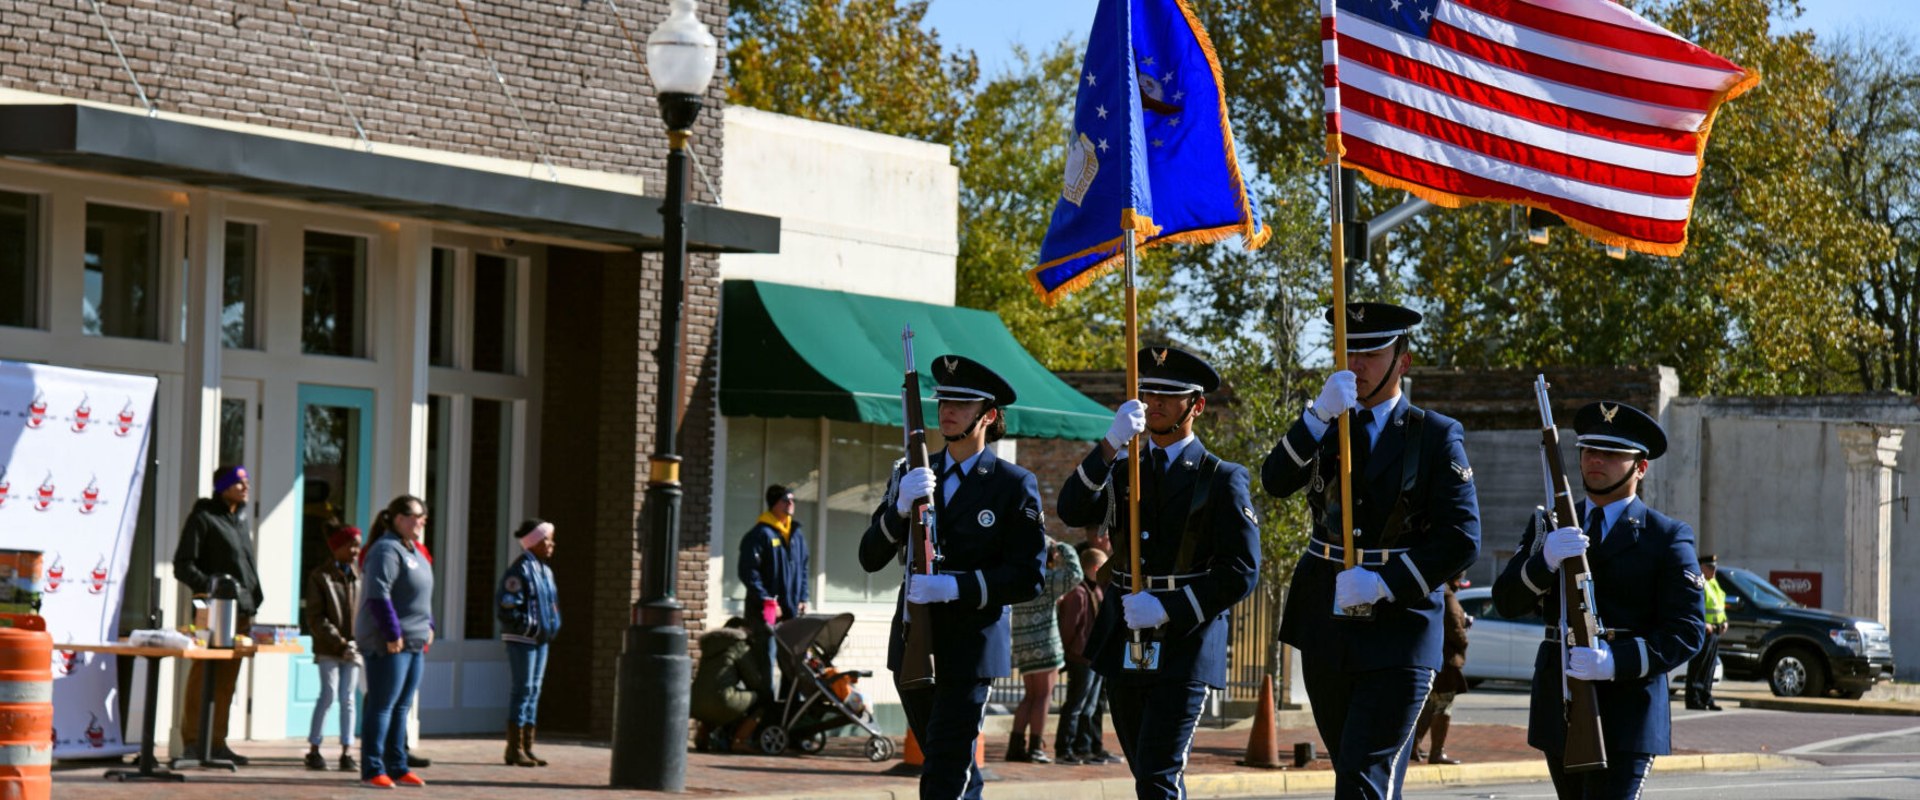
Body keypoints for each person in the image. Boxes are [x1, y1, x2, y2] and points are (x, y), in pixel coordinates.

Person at [1262, 303, 1481, 800]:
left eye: (1371, 352)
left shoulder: (1434, 435)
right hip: (1327, 623)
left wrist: (1386, 582)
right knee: (1362, 777)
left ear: (1401, 361)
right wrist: (1316, 417)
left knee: (1362, 782)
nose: (1356, 363)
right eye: (1348, 351)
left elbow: (1463, 537)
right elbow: (1274, 481)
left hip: (1400, 632)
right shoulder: (1324, 424)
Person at [1057, 346, 1260, 800]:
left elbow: (1242, 571)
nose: (1155, 403)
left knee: (1158, 777)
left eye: (1169, 395)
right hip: (1124, 635)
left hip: (1186, 644)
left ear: (1197, 405)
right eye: (1148, 392)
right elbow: (1071, 509)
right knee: (1146, 774)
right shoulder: (1126, 468)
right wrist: (1108, 445)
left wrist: (1168, 608)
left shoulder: (1220, 477)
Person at [1492, 401, 1705, 799]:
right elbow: (1506, 601)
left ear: (1640, 468)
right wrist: (1545, 561)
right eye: (1590, 450)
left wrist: (1614, 661)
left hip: (1629, 712)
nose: (1596, 460)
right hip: (1561, 706)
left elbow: (1688, 631)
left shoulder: (1666, 536)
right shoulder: (1551, 527)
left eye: (1611, 454)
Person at [859, 353, 1046, 800]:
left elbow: (1028, 576)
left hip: (970, 646)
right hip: (914, 644)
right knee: (954, 768)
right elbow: (869, 557)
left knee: (943, 773)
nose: (947, 410)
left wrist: (957, 586)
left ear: (989, 415)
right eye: (943, 400)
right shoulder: (912, 472)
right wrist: (898, 509)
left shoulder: (1012, 484)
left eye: (962, 404)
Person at [172, 464, 265, 766]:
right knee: (203, 677)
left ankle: (217, 742)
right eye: (239, 482)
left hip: (242, 613)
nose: (245, 486)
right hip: (213, 614)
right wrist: (215, 588)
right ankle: (193, 742)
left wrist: (253, 597)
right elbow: (183, 565)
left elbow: (244, 567)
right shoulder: (204, 518)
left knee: (227, 680)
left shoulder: (238, 520)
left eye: (247, 481)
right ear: (223, 486)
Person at [355, 495, 436, 789]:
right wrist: (392, 633)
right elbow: (379, 595)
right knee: (382, 705)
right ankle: (372, 768)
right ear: (399, 519)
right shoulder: (386, 550)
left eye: (424, 516)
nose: (422, 521)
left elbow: (422, 594)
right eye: (417, 515)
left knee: (402, 707)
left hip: (414, 641)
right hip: (390, 642)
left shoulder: (415, 550)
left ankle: (398, 765)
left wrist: (430, 625)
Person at [1006, 536, 1083, 763]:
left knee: (1029, 696)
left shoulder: (1018, 579)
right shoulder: (1046, 580)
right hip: (1046, 646)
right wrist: (1062, 546)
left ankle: (1015, 745)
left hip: (1022, 645)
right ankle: (1035, 748)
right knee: (1043, 696)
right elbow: (1075, 574)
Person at [499, 519, 561, 767]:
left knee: (534, 690)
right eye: (546, 539)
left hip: (541, 640)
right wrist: (528, 627)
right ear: (533, 542)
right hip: (522, 640)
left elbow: (552, 605)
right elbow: (507, 606)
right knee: (522, 689)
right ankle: (513, 748)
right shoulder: (519, 570)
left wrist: (553, 626)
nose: (551, 544)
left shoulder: (546, 571)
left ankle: (527, 746)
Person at [301, 524, 362, 772]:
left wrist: (358, 641)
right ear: (337, 548)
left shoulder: (360, 577)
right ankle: (314, 748)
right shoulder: (320, 577)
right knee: (328, 694)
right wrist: (340, 643)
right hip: (329, 648)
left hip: (354, 648)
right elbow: (316, 617)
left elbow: (366, 612)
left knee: (348, 699)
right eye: (351, 545)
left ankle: (347, 751)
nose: (356, 550)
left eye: (358, 545)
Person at [738, 484, 808, 696]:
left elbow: (804, 569)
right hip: (764, 613)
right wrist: (767, 600)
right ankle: (764, 713)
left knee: (792, 664)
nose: (791, 504)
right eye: (786, 500)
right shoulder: (759, 534)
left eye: (793, 500)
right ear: (775, 503)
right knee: (765, 663)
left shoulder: (796, 535)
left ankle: (787, 712)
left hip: (789, 612)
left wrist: (803, 597)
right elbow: (748, 573)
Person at [1054, 545, 1116, 766]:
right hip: (1081, 657)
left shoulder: (1096, 590)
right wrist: (1068, 653)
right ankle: (1064, 748)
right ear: (1096, 567)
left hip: (1095, 656)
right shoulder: (1078, 593)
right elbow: (1068, 628)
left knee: (1090, 706)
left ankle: (1085, 747)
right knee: (1076, 705)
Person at [1412, 577, 1471, 765]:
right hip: (1448, 661)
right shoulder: (1448, 598)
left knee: (1430, 706)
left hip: (1435, 658)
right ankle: (1437, 752)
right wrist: (1464, 638)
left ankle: (1413, 746)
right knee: (1443, 707)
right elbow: (1455, 628)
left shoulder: (1435, 591)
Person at [691, 617, 772, 753]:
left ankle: (702, 736)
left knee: (714, 694)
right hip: (721, 701)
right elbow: (753, 680)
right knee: (763, 698)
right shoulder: (738, 645)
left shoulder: (710, 645)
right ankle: (739, 741)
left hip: (695, 702)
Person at [1685, 554, 1726, 711]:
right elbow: (1693, 606)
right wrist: (1704, 624)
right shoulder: (1699, 583)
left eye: (1715, 567)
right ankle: (1694, 699)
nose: (1714, 570)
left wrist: (1723, 622)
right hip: (1703, 630)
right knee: (1699, 666)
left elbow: (1719, 606)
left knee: (1709, 668)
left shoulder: (1713, 583)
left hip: (1715, 631)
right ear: (1702, 567)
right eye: (1711, 567)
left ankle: (1705, 697)